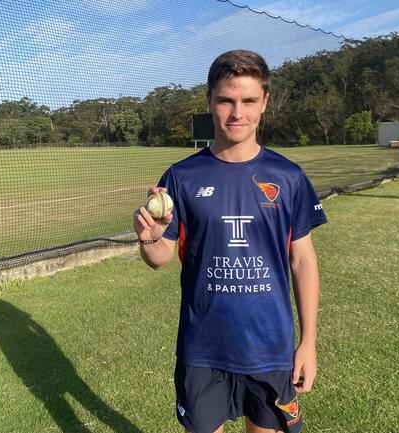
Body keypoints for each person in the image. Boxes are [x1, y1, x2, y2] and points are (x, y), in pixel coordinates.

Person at [132, 50, 327, 433]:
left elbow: (303, 260)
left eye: (249, 101)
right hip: (203, 349)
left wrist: (309, 343)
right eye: (226, 100)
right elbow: (159, 258)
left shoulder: (288, 177)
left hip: (270, 348)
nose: (237, 113)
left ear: (265, 102)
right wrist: (151, 239)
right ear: (209, 101)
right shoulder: (181, 177)